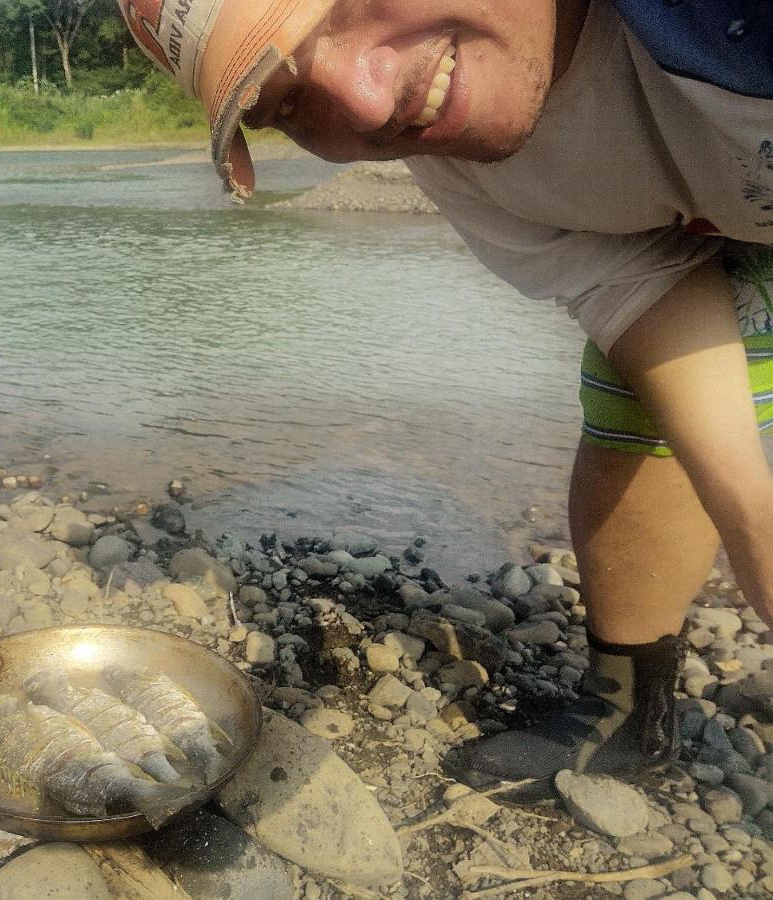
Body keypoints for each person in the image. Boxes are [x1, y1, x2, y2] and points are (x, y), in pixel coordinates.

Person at [116, 0, 773, 797]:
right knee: (638, 402)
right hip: (706, 216)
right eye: (286, 104)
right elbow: (637, 280)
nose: (364, 102)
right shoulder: (452, 141)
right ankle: (626, 715)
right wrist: (751, 512)